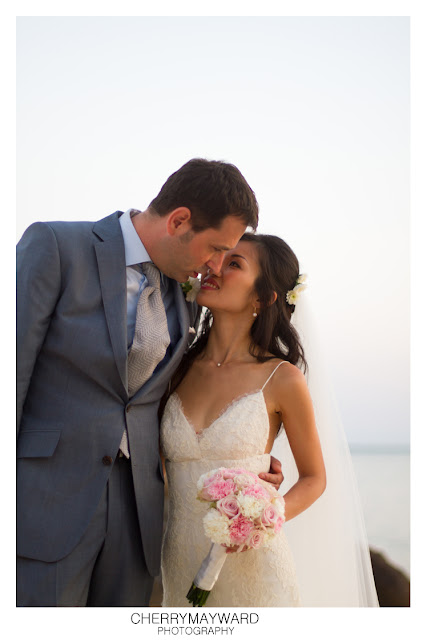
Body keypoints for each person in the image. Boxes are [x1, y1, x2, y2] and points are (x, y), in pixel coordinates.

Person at [16, 158, 283, 607]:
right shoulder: (59, 246)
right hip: (45, 502)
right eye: (216, 248)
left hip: (139, 519)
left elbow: (173, 395)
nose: (215, 266)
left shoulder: (187, 293)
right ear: (179, 221)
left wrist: (249, 461)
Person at [160, 233, 379, 607]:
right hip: (177, 562)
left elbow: (314, 478)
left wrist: (264, 516)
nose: (214, 266)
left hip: (255, 570)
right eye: (219, 257)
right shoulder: (173, 365)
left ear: (262, 298)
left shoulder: (282, 378)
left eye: (234, 263)